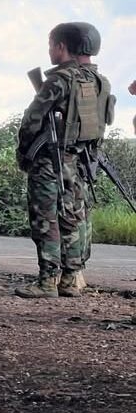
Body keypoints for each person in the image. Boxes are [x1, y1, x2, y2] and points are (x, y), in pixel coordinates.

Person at [15, 23, 106, 298]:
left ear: (61, 47)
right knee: (72, 217)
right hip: (78, 159)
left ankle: (47, 282)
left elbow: (32, 119)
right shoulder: (98, 81)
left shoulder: (60, 79)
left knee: (45, 217)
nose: (49, 51)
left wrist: (24, 152)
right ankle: (69, 280)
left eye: (50, 45)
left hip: (49, 159)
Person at [70, 22, 114, 295]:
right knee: (82, 210)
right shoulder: (102, 82)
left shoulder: (71, 79)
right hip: (90, 153)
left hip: (70, 155)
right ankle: (78, 270)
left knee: (68, 213)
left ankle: (70, 272)